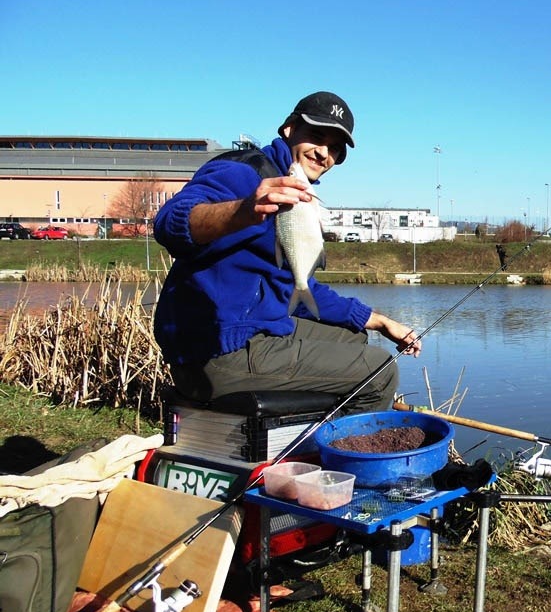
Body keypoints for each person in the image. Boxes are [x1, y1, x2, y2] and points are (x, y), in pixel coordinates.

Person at [153, 91, 421, 412]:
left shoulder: (296, 196)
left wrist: (378, 321)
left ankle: (307, 425)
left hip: (252, 328)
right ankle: (334, 454)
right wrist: (246, 209)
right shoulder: (244, 172)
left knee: (353, 337)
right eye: (317, 137)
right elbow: (169, 223)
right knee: (380, 372)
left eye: (335, 148)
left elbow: (298, 287)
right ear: (289, 129)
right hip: (216, 351)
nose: (324, 153)